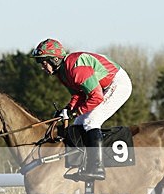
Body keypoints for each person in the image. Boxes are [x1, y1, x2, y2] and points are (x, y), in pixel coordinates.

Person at [30, 38, 132, 181]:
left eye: (43, 62)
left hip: (116, 84)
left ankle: (97, 167)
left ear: (54, 60)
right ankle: (83, 164)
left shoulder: (75, 69)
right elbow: (79, 95)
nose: (42, 67)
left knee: (91, 121)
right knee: (78, 124)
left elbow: (96, 97)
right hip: (101, 88)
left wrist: (76, 111)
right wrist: (68, 109)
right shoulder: (62, 73)